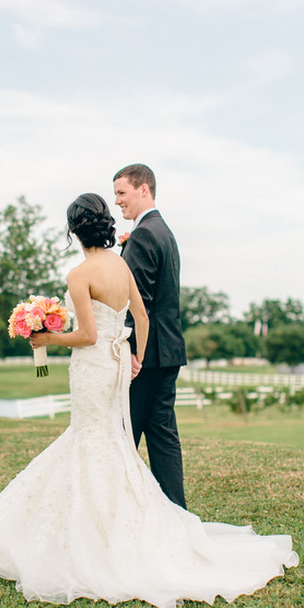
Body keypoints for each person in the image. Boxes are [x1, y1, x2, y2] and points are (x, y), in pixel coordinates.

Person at [0, 193, 298, 608]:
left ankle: (92, 538)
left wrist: (47, 339)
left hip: (90, 367)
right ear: (103, 225)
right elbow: (141, 316)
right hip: (116, 364)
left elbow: (85, 336)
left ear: (73, 231)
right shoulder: (120, 264)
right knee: (106, 440)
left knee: (89, 437)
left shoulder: (79, 274)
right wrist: (135, 355)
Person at [113, 164, 187, 508]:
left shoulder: (143, 234)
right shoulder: (165, 231)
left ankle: (124, 513)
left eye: (122, 193)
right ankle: (176, 515)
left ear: (144, 190)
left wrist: (131, 351)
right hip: (168, 351)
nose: (117, 201)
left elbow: (136, 302)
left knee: (123, 436)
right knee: (162, 437)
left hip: (146, 355)